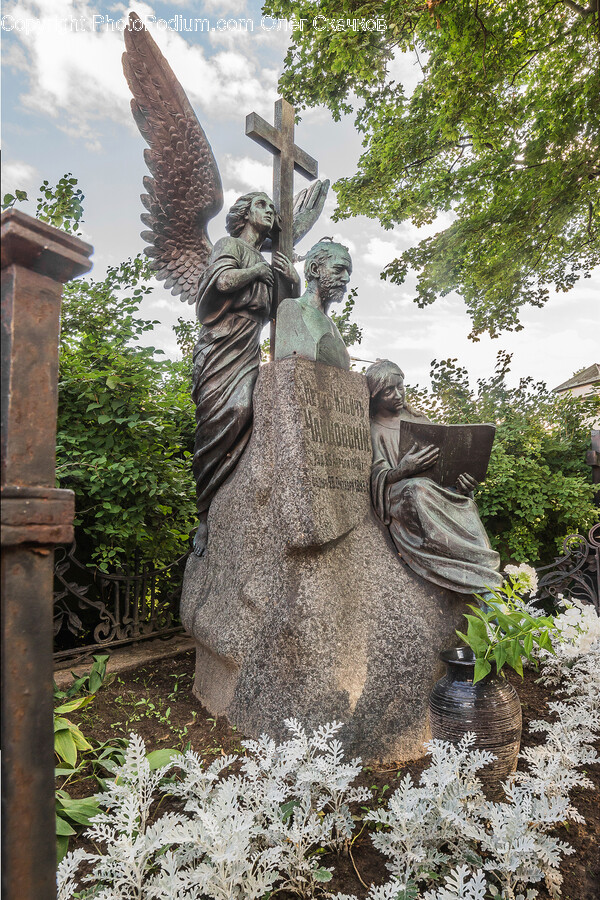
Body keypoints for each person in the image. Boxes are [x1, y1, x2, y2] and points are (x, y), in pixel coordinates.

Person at [191, 191, 300, 556]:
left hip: (249, 346)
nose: (269, 211)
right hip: (220, 343)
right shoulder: (230, 245)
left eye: (272, 207)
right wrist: (259, 270)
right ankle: (206, 515)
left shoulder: (270, 262)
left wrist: (292, 282)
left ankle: (242, 500)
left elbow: (283, 315)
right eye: (262, 205)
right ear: (245, 213)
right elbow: (220, 284)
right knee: (227, 414)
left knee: (254, 414)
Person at [366, 359, 502, 594]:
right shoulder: (373, 429)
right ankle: (476, 576)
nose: (398, 395)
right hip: (401, 495)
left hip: (432, 490)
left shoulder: (421, 421)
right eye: (389, 391)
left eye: (401, 386)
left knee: (466, 504)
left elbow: (444, 468)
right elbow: (377, 477)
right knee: (418, 489)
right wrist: (403, 470)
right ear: (375, 395)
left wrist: (461, 486)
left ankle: (481, 569)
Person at [274, 240, 351, 370]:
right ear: (314, 269)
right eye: (338, 269)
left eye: (348, 272)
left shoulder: (331, 323)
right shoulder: (292, 309)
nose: (346, 278)